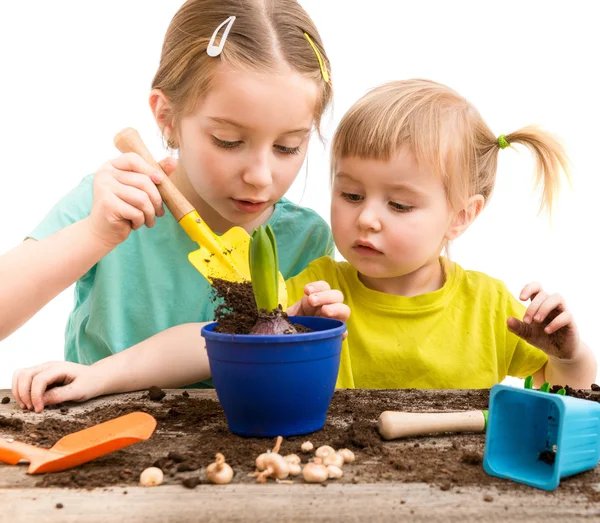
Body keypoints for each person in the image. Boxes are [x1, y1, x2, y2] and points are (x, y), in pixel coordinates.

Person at [4, 0, 350, 411]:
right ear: (167, 116)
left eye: (288, 146)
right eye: (228, 141)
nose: (260, 174)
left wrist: (296, 327)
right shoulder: (111, 201)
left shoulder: (304, 238)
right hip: (100, 431)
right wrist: (95, 234)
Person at [286, 79, 596, 389]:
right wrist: (295, 329)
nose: (366, 218)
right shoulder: (314, 292)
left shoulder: (488, 309)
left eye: (399, 205)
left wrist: (568, 358)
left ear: (460, 216)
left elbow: (564, 393)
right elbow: (247, 366)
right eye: (352, 195)